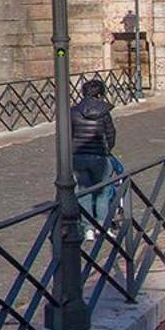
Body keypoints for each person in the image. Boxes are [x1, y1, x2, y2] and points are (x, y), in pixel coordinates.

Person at [70, 78, 121, 226]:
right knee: (103, 192)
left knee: (84, 192)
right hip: (100, 157)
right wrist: (107, 149)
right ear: (100, 94)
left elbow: (67, 135)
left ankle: (88, 227)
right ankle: (102, 225)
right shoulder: (104, 113)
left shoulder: (73, 112)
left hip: (78, 157)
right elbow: (111, 133)